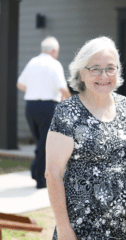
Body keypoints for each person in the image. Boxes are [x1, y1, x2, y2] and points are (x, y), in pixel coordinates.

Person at [45, 36, 126, 239]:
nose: (103, 75)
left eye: (110, 68)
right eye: (95, 68)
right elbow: (53, 173)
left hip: (123, 220)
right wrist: (64, 228)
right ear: (81, 73)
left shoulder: (123, 105)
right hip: (83, 225)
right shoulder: (68, 112)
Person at [17, 36, 71, 189]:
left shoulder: (32, 62)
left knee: (40, 142)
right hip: (48, 107)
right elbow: (62, 88)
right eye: (57, 52)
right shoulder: (54, 64)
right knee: (46, 144)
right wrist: (70, 100)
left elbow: (20, 84)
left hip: (30, 107)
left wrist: (35, 90)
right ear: (53, 51)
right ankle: (40, 178)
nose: (57, 55)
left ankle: (36, 171)